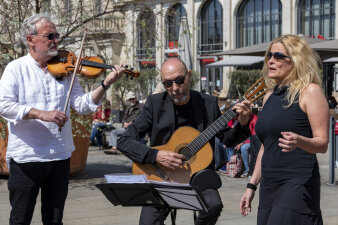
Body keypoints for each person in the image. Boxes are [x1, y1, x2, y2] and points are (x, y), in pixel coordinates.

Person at [0, 14, 124, 225]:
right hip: (27, 158)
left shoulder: (67, 71)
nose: (56, 40)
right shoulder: (16, 68)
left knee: (55, 220)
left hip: (59, 156)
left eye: (56, 35)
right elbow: (4, 106)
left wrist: (105, 85)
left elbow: (82, 105)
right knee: (20, 219)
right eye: (50, 36)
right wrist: (41, 113)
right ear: (31, 39)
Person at [118, 57, 252, 225]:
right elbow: (124, 140)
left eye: (179, 81)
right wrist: (155, 155)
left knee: (214, 206)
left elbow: (228, 139)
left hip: (199, 175)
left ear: (189, 76)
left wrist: (243, 123)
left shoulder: (208, 103)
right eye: (168, 84)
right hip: (162, 177)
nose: (175, 88)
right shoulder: (154, 104)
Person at [240, 34, 329, 225]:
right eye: (269, 56)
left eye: (278, 56)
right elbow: (265, 147)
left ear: (296, 61)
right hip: (269, 184)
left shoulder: (310, 91)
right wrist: (251, 186)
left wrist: (300, 141)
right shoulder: (268, 97)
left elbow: (322, 144)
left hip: (297, 181)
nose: (271, 61)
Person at [234, 110, 258, 177]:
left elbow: (253, 136)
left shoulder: (254, 119)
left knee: (244, 147)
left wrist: (242, 143)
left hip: (253, 141)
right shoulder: (245, 119)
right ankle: (235, 169)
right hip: (247, 140)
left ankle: (247, 170)